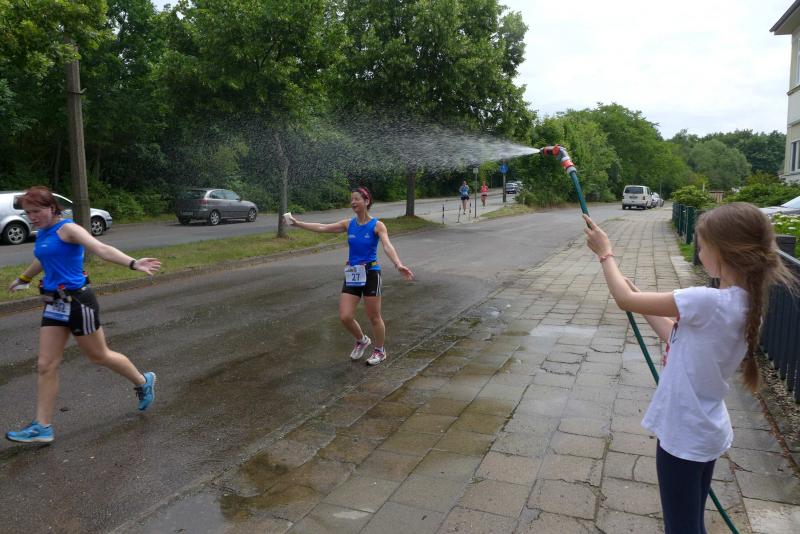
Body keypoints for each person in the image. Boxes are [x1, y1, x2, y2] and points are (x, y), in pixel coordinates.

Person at [582, 203, 796, 534]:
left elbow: (622, 299)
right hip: (705, 430)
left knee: (681, 527)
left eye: (703, 245)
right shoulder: (744, 304)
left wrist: (605, 254)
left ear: (723, 252)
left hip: (684, 434)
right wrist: (643, 302)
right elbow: (675, 335)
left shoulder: (707, 301)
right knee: (690, 521)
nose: (699, 250)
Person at [6, 186, 161, 444]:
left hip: (78, 301)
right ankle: (42, 426)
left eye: (36, 211)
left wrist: (133, 263)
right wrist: (24, 278)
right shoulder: (43, 232)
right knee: (45, 364)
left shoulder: (68, 229)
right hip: (54, 303)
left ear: (51, 208)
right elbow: (44, 258)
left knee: (99, 355)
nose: (31, 217)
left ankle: (143, 381)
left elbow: (101, 248)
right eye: (27, 213)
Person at [287, 187, 414, 365]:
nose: (353, 202)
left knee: (374, 317)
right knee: (345, 316)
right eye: (352, 199)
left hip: (371, 273)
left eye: (357, 199)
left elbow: (387, 245)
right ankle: (362, 340)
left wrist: (398, 263)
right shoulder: (348, 224)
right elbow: (322, 227)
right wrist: (298, 223)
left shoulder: (377, 225)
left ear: (366, 201)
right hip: (353, 273)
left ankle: (380, 351)